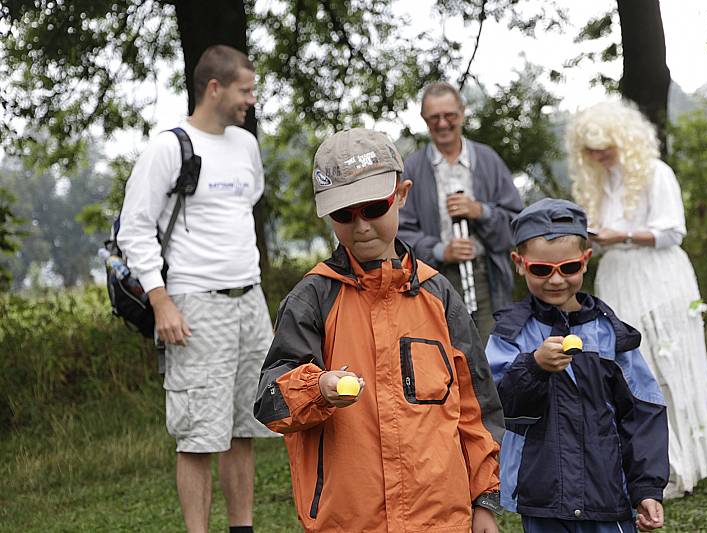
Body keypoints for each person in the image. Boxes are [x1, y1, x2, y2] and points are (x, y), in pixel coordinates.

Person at [253, 128, 504, 533]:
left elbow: (477, 410)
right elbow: (270, 402)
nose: (361, 225)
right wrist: (317, 387)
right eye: (344, 214)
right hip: (348, 520)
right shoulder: (311, 298)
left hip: (441, 520)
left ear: (401, 195)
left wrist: (485, 502)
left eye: (373, 207)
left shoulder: (439, 296)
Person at [117, 45, 275, 533]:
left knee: (243, 427)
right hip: (194, 306)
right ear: (215, 88)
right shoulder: (169, 147)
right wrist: (161, 300)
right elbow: (134, 229)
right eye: (245, 90)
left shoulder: (245, 145)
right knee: (199, 436)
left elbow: (244, 207)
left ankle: (242, 528)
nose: (252, 99)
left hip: (249, 300)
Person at [567, 100, 707, 498]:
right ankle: (659, 467)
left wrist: (623, 236)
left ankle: (689, 463)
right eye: (591, 149)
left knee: (669, 365)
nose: (599, 154)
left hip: (659, 276)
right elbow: (603, 241)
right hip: (619, 278)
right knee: (635, 370)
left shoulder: (656, 173)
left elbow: (672, 231)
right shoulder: (598, 184)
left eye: (605, 145)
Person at [485, 198, 669, 533]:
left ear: (585, 261)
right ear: (519, 263)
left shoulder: (612, 335)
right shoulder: (510, 334)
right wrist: (533, 366)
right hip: (543, 496)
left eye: (568, 268)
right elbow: (497, 407)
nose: (556, 280)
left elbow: (644, 411)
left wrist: (646, 487)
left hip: (607, 492)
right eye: (542, 270)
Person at [399, 82, 523, 342]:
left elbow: (516, 225)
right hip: (431, 279)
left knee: (492, 353)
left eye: (450, 116)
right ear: (424, 119)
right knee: (443, 352)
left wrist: (481, 211)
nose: (443, 124)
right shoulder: (412, 168)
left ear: (462, 113)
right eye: (434, 118)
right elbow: (399, 233)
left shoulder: (488, 160)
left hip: (487, 277)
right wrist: (439, 250)